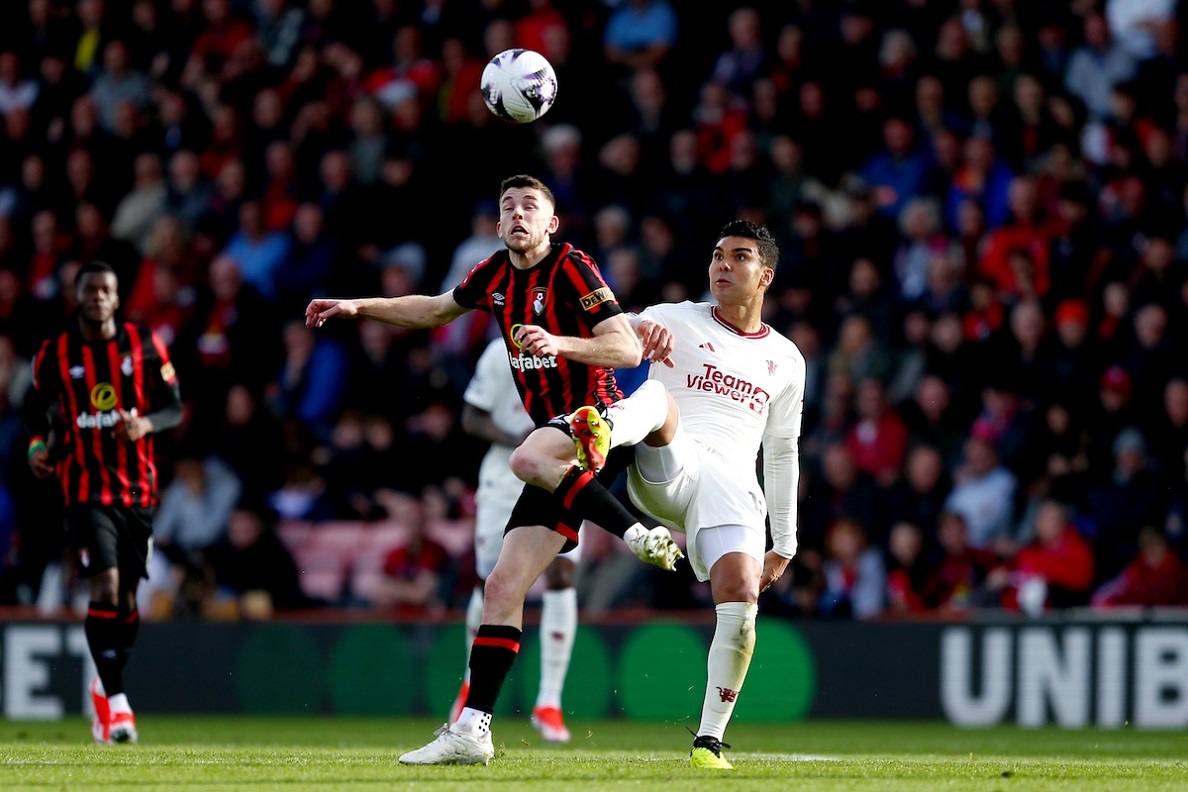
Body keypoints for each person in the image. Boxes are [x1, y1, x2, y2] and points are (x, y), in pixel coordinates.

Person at [306, 174, 680, 765]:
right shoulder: (493, 275)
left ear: (552, 223)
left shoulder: (573, 267)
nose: (517, 213)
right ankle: (473, 730)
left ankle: (636, 532)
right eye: (507, 205)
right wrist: (359, 306)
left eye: (530, 205)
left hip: (597, 420)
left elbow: (627, 350)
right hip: (558, 439)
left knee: (527, 456)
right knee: (502, 587)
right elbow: (431, 310)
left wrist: (560, 344)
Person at [619, 220, 805, 768]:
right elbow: (605, 327)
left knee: (741, 597)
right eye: (717, 255)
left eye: (738, 257)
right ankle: (601, 431)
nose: (722, 265)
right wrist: (603, 331)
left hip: (729, 485)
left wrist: (786, 542)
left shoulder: (787, 360)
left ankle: (709, 740)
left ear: (764, 275)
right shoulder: (669, 318)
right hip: (668, 462)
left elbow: (782, 451)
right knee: (656, 397)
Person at [26, 260, 183, 744]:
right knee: (106, 586)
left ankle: (104, 683)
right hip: (84, 489)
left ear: (117, 299)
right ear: (77, 297)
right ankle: (118, 706)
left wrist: (145, 424)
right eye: (89, 289)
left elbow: (174, 407)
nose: (97, 297)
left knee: (130, 599)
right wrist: (36, 450)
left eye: (106, 290)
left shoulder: (146, 344)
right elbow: (36, 415)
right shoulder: (53, 354)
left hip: (137, 491)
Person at [452, 336, 583, 743]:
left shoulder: (578, 348)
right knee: (490, 582)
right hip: (504, 474)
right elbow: (471, 417)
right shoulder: (498, 351)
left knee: (562, 573)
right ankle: (471, 685)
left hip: (562, 471)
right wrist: (521, 441)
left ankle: (550, 702)